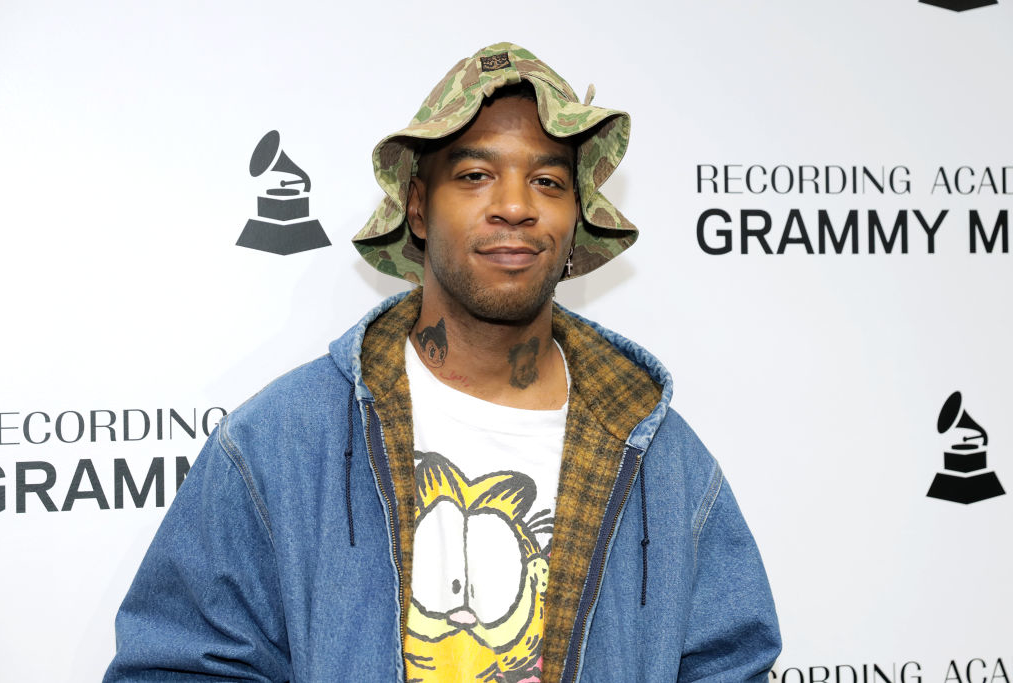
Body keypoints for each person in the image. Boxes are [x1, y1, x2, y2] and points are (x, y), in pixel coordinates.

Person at [105, 42, 780, 682]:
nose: (514, 206)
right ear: (420, 207)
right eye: (476, 175)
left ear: (576, 217)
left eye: (547, 180)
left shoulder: (664, 462)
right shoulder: (279, 443)